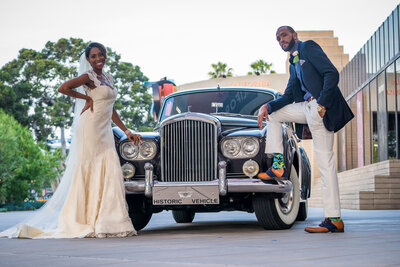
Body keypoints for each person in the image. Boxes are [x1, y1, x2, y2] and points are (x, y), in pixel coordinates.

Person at [0, 42, 141, 238]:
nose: (98, 58)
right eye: (93, 56)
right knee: (90, 168)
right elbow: (63, 87)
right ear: (88, 59)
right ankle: (85, 219)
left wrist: (126, 130)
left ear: (105, 56)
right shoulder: (88, 77)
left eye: (101, 55)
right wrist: (86, 99)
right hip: (90, 128)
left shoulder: (107, 78)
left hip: (105, 130)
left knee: (110, 169)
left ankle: (109, 221)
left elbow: (111, 108)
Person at [257, 26, 354, 233]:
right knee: (274, 114)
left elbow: (331, 73)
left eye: (283, 35)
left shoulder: (308, 48)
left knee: (325, 164)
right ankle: (279, 165)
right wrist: (268, 106)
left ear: (294, 35)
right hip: (305, 108)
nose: (280, 40)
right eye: (277, 38)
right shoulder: (293, 64)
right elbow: (289, 95)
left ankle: (334, 218)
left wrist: (323, 105)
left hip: (319, 108)